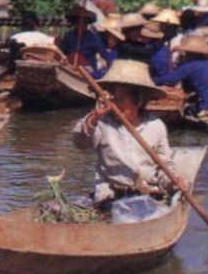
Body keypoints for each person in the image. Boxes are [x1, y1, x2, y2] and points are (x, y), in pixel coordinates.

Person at [72, 59, 180, 207]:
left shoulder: (155, 126)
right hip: (109, 198)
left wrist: (173, 181)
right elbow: (80, 142)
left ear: (138, 101)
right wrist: (95, 117)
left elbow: (164, 166)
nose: (113, 104)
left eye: (120, 100)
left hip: (147, 197)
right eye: (112, 98)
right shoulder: (103, 123)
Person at [155, 34, 208, 118]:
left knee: (186, 111)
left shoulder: (189, 65)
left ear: (187, 52)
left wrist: (152, 81)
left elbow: (169, 80)